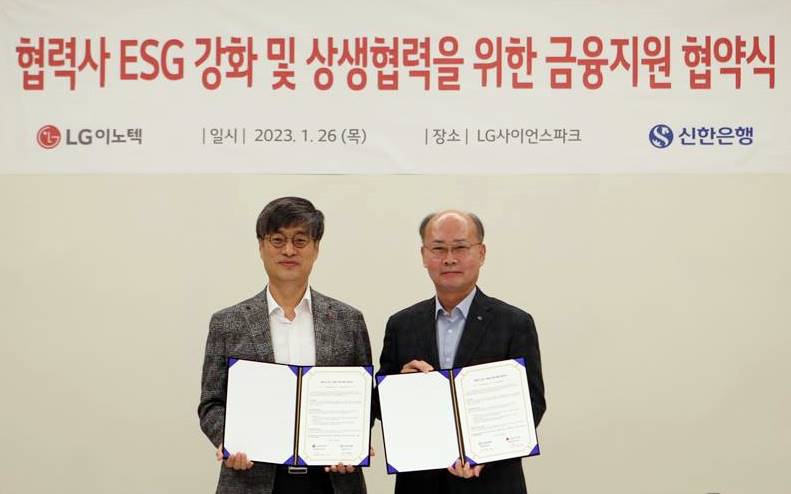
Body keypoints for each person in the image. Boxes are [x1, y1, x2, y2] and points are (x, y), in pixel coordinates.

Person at [198, 197, 372, 494]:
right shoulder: (227, 323)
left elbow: (363, 399)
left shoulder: (348, 320)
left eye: (300, 240)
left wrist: (353, 443)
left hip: (332, 482)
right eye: (278, 240)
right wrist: (228, 439)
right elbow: (211, 403)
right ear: (261, 246)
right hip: (251, 480)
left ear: (316, 248)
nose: (289, 250)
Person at [378, 210, 546, 494]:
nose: (449, 259)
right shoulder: (401, 324)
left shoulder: (514, 323)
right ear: (423, 255)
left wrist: (486, 455)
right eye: (438, 249)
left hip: (492, 483)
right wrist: (399, 387)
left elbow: (532, 403)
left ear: (481, 253)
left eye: (460, 248)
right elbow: (381, 406)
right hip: (419, 485)